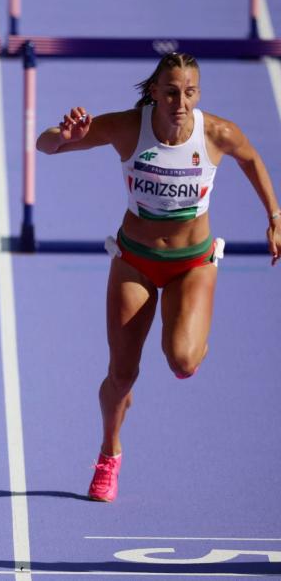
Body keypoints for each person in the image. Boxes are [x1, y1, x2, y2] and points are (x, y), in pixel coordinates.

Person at [36, 52, 281, 502]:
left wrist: (275, 214)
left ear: (198, 95)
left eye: (189, 93)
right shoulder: (130, 127)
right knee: (122, 376)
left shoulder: (217, 134)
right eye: (171, 92)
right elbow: (44, 146)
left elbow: (251, 160)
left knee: (183, 362)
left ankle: (190, 323)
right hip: (135, 262)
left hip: (192, 263)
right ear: (154, 93)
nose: (180, 102)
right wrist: (64, 135)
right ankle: (109, 451)